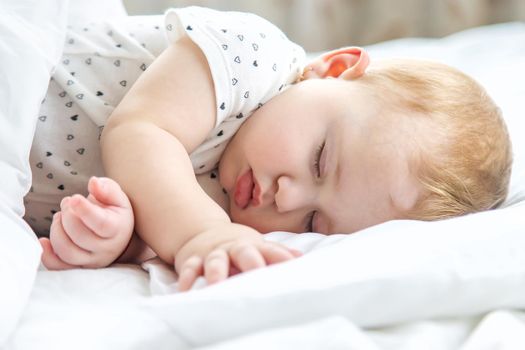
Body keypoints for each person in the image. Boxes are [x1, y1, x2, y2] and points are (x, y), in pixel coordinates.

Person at [26, 7, 512, 291]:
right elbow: (139, 133)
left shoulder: (234, 217)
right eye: (320, 159)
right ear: (334, 69)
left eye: (314, 223)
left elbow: (148, 206)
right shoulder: (253, 59)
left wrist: (111, 237)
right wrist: (203, 236)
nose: (288, 198)